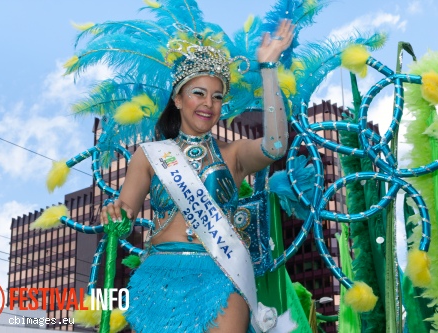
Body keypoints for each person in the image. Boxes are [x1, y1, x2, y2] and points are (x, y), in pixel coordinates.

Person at [101, 19, 295, 333]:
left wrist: (269, 68)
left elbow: (275, 146)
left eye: (217, 97)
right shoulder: (149, 155)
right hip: (159, 277)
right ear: (178, 99)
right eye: (199, 93)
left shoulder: (233, 155)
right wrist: (115, 218)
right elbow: (124, 217)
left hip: (222, 272)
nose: (208, 103)